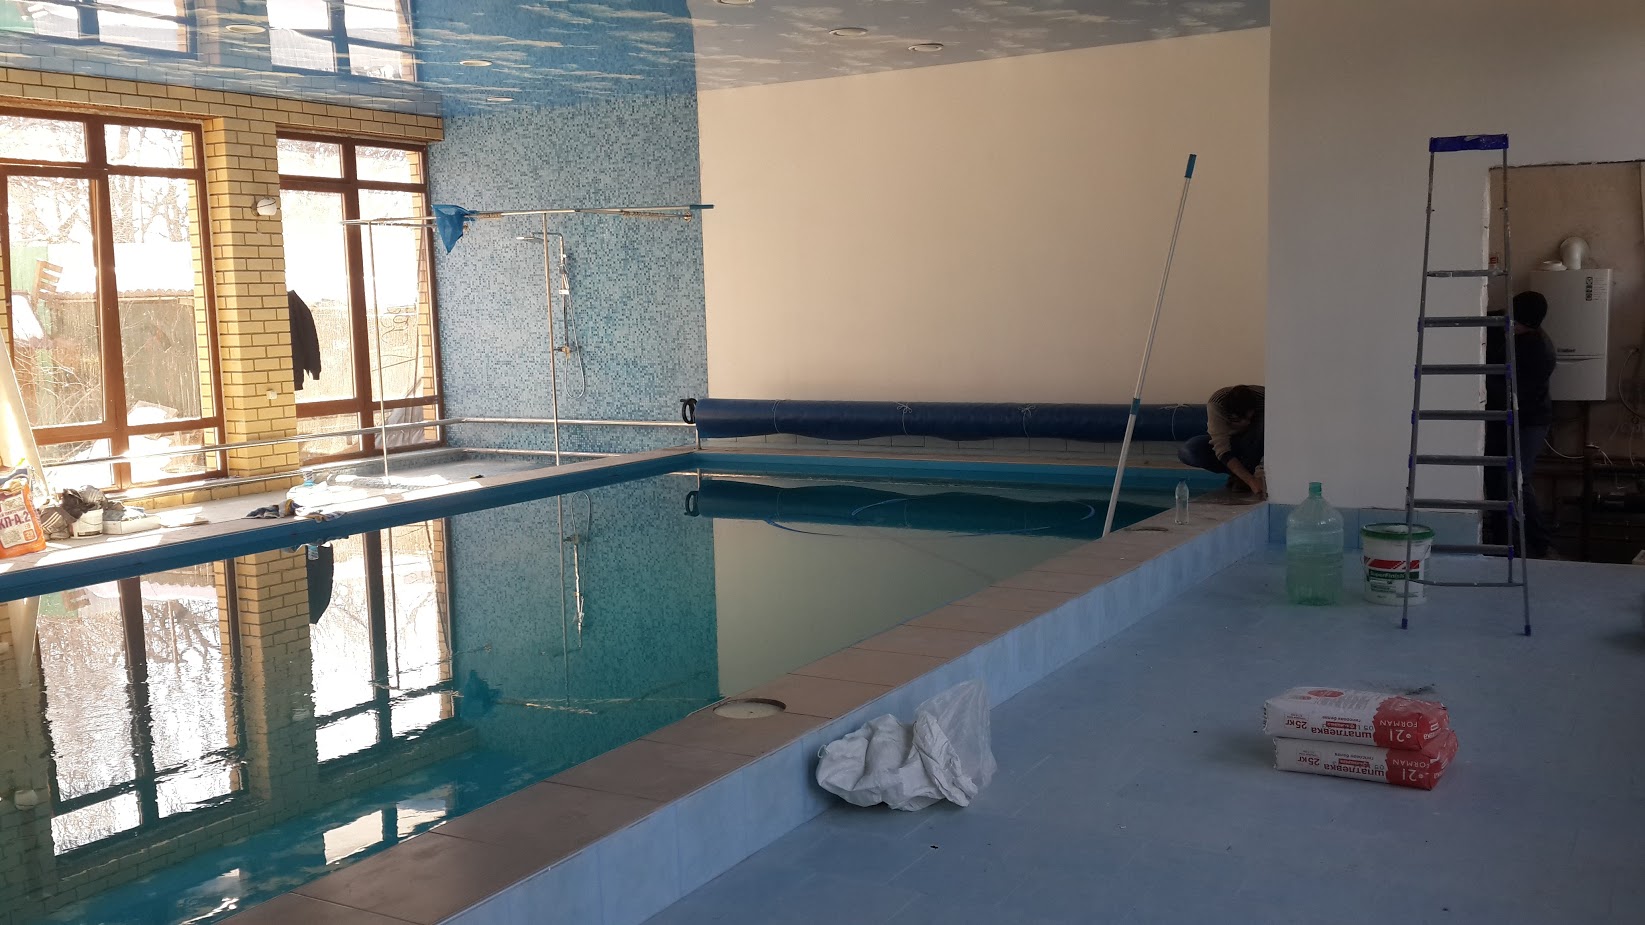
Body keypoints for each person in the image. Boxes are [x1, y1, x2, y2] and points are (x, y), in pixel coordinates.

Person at [1484, 291, 1557, 557]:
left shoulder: (1539, 351)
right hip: (1503, 418)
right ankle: (1503, 540)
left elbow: (1513, 392)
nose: (1511, 325)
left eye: (1517, 322)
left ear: (1530, 325)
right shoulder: (1506, 328)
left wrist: (1479, 382)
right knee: (1495, 477)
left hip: (1529, 421)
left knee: (1517, 481)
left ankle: (1539, 542)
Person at [1178, 385, 1265, 495]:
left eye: (1250, 419)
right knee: (1189, 450)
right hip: (1233, 443)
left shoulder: (1266, 400)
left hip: (1258, 446)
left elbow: (1273, 443)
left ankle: (1245, 473)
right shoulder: (1216, 404)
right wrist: (1251, 481)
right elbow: (1222, 449)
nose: (1247, 423)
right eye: (1238, 420)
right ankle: (1240, 475)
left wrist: (1260, 475)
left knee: (1261, 430)